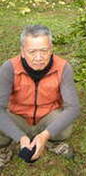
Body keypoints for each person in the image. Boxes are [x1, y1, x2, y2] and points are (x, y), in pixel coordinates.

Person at [0, 25, 80, 169]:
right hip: (18, 117)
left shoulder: (63, 67)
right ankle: (4, 148)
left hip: (47, 117)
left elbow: (73, 108)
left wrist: (45, 135)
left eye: (44, 50)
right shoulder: (9, 68)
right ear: (22, 52)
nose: (38, 57)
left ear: (51, 49)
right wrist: (20, 137)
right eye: (32, 52)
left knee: (65, 125)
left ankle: (51, 141)